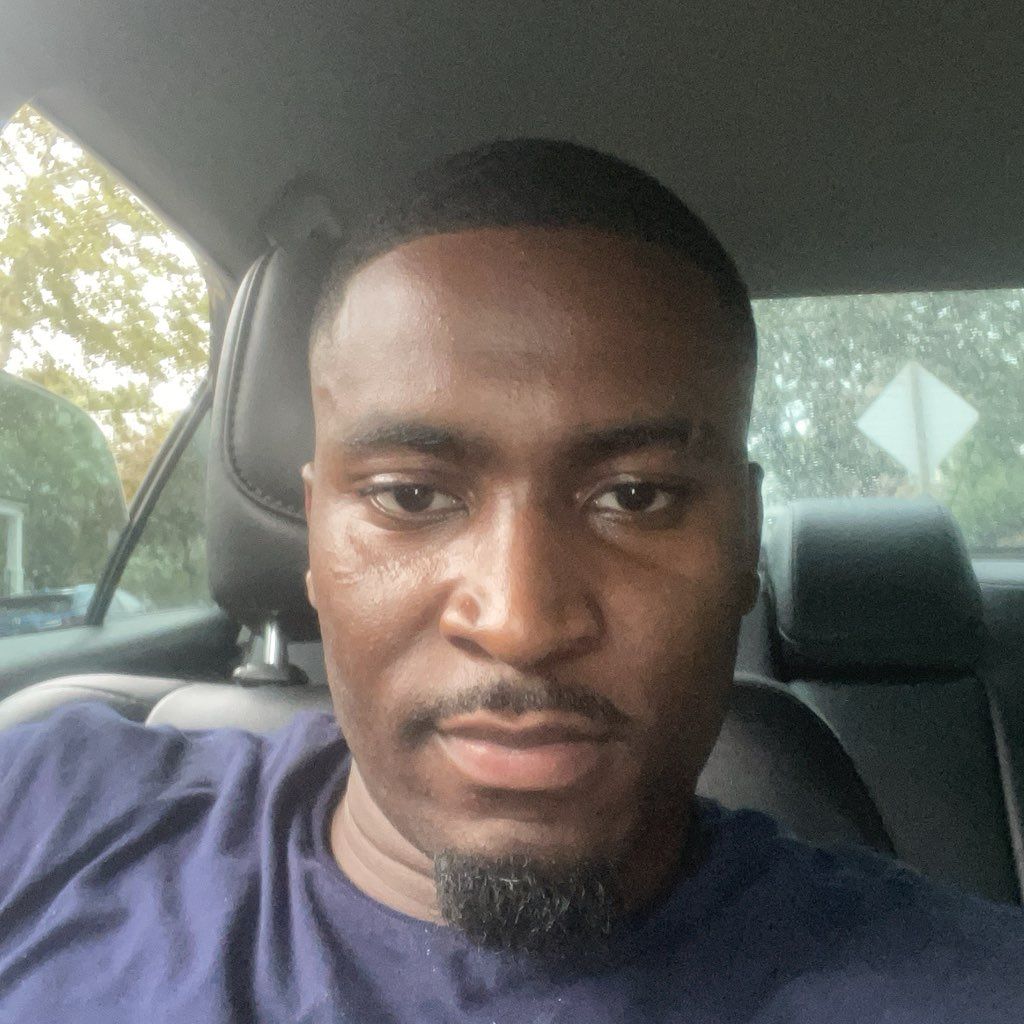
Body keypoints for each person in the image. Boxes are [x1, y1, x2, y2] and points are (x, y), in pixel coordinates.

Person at [0, 139, 1021, 1022]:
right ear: (313, 533)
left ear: (744, 541)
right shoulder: (47, 808)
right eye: (410, 496)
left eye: (634, 497)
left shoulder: (963, 988)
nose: (521, 620)